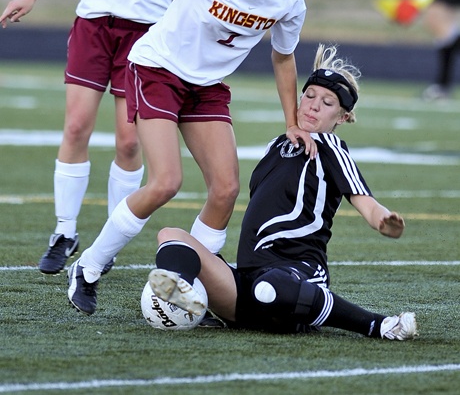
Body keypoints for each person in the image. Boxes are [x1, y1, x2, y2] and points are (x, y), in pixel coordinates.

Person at [45, 0, 318, 315]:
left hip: (206, 86)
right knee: (165, 181)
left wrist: (293, 121)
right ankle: (89, 267)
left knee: (226, 189)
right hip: (157, 70)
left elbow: (282, 57)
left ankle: (189, 284)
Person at [0, 0, 219, 275]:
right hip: (94, 25)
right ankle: (64, 231)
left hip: (145, 36)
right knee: (77, 126)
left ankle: (108, 241)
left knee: (129, 142)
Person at [146, 44, 418, 341]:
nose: (314, 105)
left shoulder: (331, 148)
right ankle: (181, 294)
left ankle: (379, 325)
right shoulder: (276, 145)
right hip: (246, 280)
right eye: (310, 95)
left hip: (296, 272)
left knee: (272, 289)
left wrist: (383, 220)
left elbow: (363, 200)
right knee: (170, 236)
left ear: (342, 117)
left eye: (327, 103)